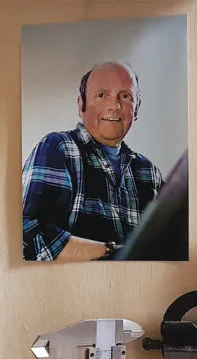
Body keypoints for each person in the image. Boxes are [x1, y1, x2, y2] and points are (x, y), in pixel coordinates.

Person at [22, 61, 164, 261]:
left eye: (125, 96)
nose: (114, 106)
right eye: (101, 95)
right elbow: (29, 231)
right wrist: (113, 252)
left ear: (137, 108)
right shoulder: (58, 147)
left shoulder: (149, 172)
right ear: (81, 106)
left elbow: (171, 243)